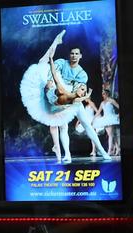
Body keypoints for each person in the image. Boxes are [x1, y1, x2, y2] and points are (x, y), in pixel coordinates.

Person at [20, 30, 110, 163]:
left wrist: (74, 96)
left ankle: (102, 151)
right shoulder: (62, 63)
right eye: (72, 53)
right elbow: (53, 73)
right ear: (70, 55)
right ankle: (67, 155)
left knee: (87, 125)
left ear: (80, 56)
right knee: (63, 126)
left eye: (76, 54)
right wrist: (50, 82)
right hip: (58, 97)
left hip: (72, 100)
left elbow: (77, 91)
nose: (74, 56)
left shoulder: (82, 74)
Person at [92, 89, 120, 156]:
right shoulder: (102, 103)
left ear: (107, 94)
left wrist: (119, 114)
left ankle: (109, 151)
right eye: (102, 94)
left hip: (111, 118)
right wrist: (93, 119)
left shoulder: (111, 100)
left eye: (104, 93)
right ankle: (118, 148)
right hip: (105, 119)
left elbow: (119, 106)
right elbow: (98, 111)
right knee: (111, 135)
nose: (103, 95)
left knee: (110, 135)